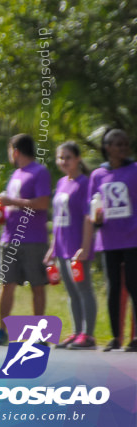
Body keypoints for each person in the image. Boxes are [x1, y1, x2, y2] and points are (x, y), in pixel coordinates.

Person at [0, 134, 51, 346]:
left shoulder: (39, 172)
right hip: (9, 238)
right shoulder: (15, 174)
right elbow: (10, 206)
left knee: (37, 286)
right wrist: (1, 215)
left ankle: (39, 334)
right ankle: (1, 331)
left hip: (33, 239)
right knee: (6, 284)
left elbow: (43, 203)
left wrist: (11, 200)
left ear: (15, 151)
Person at [83, 129, 137, 352]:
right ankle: (116, 337)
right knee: (114, 287)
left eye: (125, 144)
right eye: (117, 144)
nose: (122, 148)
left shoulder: (135, 170)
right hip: (108, 239)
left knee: (134, 286)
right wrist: (96, 217)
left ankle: (135, 339)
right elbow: (91, 206)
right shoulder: (98, 175)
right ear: (107, 148)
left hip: (133, 237)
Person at [45, 142, 96, 349]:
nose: (64, 161)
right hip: (62, 246)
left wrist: (84, 247)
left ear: (77, 159)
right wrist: (52, 248)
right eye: (60, 158)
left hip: (77, 245)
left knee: (83, 289)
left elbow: (88, 216)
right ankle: (76, 332)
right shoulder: (61, 183)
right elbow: (57, 220)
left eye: (68, 157)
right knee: (71, 292)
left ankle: (88, 335)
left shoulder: (85, 183)